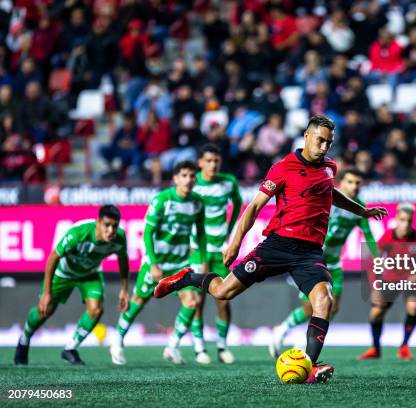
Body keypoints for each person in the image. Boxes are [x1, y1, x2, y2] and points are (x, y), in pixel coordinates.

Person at [154, 115, 387, 383]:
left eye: (329, 143)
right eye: (320, 141)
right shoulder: (282, 168)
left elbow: (330, 193)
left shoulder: (330, 167)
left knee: (324, 300)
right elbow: (253, 207)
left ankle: (310, 365)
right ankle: (186, 278)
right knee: (223, 291)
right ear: (307, 137)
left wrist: (362, 211)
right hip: (278, 244)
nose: (324, 147)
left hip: (309, 252)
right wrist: (235, 243)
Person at [269, 167, 380, 357]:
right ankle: (282, 329)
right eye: (350, 182)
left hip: (334, 264)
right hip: (312, 260)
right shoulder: (327, 200)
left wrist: (378, 259)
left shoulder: (359, 207)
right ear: (341, 183)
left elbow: (368, 235)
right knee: (309, 307)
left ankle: (303, 343)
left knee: (332, 306)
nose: (354, 187)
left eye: (358, 183)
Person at [110, 161, 206, 365]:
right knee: (138, 301)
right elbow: (148, 232)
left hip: (180, 263)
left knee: (191, 302)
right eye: (184, 175)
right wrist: (153, 263)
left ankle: (172, 347)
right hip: (159, 263)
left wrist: (203, 258)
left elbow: (201, 233)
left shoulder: (197, 202)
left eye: (191, 176)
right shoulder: (162, 200)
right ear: (175, 179)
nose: (188, 179)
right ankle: (117, 341)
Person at [14, 205, 129, 365]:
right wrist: (47, 292)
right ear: (97, 222)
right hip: (64, 273)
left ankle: (70, 348)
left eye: (114, 226)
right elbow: (53, 257)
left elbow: (123, 261)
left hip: (90, 274)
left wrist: (124, 289)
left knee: (96, 310)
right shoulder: (78, 233)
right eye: (106, 225)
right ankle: (24, 339)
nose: (111, 230)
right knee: (44, 311)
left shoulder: (120, 238)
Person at [186, 144, 242, 364]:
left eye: (216, 160)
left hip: (220, 251)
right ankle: (199, 348)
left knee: (224, 299)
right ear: (200, 162)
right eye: (208, 161)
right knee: (197, 300)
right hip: (197, 250)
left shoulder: (228, 182)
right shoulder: (192, 182)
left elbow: (237, 203)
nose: (213, 165)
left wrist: (230, 231)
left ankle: (222, 346)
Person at [358, 203, 416, 361]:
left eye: (409, 221)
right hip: (391, 279)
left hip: (411, 281)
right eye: (402, 220)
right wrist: (375, 287)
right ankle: (375, 349)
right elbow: (372, 263)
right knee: (376, 313)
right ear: (396, 219)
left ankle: (404, 346)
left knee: (414, 306)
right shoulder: (387, 237)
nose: (405, 224)